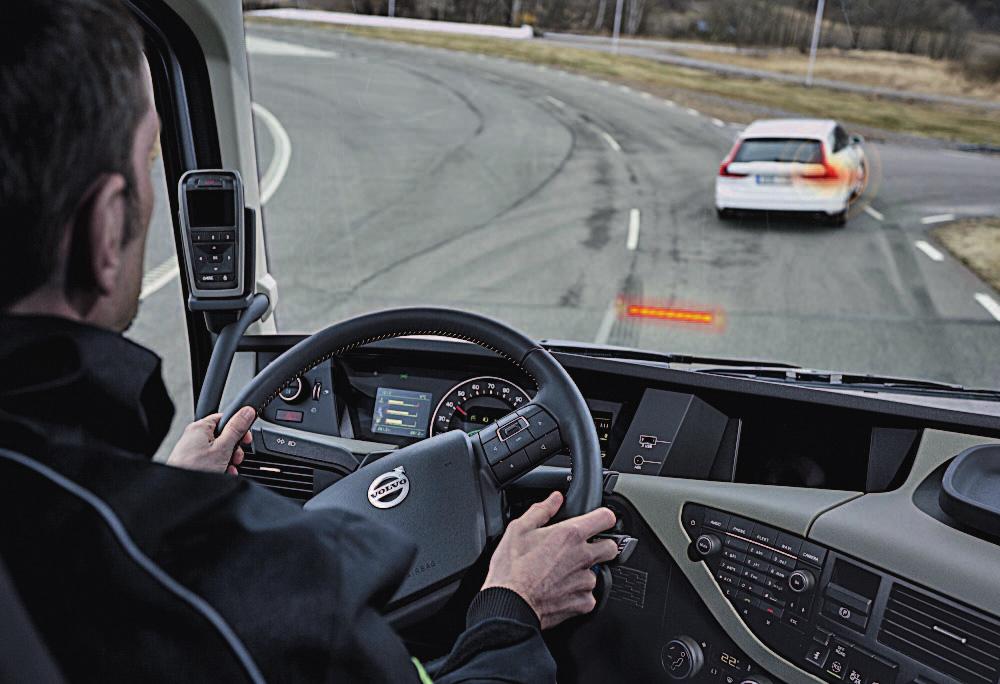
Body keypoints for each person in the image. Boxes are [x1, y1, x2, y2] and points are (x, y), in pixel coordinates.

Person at [0, 1, 619, 682]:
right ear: (106, 225)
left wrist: (167, 493)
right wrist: (510, 611)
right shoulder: (254, 607)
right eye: (150, 157)